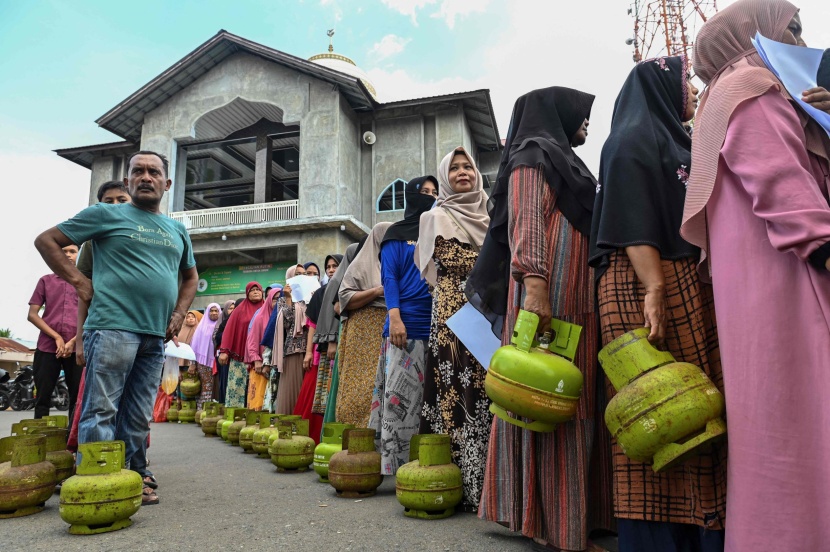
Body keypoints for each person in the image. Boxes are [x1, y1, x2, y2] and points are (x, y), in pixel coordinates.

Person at [680, 2, 830, 550]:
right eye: (791, 29)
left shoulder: (725, 96)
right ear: (753, 34)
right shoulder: (751, 84)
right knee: (805, 418)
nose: (801, 40)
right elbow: (781, 185)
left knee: (774, 423)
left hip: (755, 292)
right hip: (791, 279)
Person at [589, 55, 727, 551]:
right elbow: (631, 221)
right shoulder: (629, 142)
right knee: (658, 407)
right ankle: (657, 539)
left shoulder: (673, 137)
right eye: (683, 82)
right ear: (659, 87)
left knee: (696, 407)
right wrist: (655, 289)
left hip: (674, 279)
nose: (690, 90)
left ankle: (703, 527)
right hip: (642, 283)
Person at [472, 87, 610, 551]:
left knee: (568, 400)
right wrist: (535, 289)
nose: (586, 124)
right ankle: (561, 529)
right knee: (551, 402)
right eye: (581, 116)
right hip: (550, 299)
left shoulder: (564, 159)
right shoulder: (533, 155)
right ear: (558, 112)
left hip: (574, 299)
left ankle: (566, 517)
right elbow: (527, 223)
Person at [34, 150, 198, 508]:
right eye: (137, 171)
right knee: (101, 409)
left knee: (138, 413)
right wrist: (79, 281)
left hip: (155, 335)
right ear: (127, 181)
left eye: (153, 172)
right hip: (111, 328)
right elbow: (46, 241)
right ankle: (96, 481)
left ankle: (129, 477)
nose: (145, 177)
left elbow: (190, 278)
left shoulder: (177, 229)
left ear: (166, 184)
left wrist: (178, 313)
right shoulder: (105, 214)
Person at [416, 147, 491, 512]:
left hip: (489, 311)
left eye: (469, 167)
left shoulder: (489, 211)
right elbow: (452, 258)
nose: (464, 173)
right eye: (456, 168)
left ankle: (493, 484)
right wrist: (497, 261)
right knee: (459, 389)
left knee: (489, 387)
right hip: (455, 314)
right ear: (446, 176)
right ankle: (462, 483)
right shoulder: (437, 215)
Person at [369, 176, 437, 474]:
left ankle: (431, 461)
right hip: (405, 323)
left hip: (437, 322)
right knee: (402, 400)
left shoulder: (439, 229)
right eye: (424, 192)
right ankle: (398, 467)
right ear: (411, 196)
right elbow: (390, 279)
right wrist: (394, 316)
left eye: (435, 193)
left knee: (429, 399)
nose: (431, 197)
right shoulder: (395, 234)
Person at [68, 180, 132, 452]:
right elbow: (86, 292)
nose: (115, 205)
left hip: (143, 333)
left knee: (134, 406)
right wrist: (81, 339)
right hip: (105, 330)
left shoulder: (148, 237)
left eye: (122, 200)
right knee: (100, 405)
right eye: (109, 201)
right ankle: (95, 464)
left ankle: (131, 460)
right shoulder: (94, 242)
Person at [336, 223, 391, 427]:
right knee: (359, 382)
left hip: (388, 326)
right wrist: (377, 291)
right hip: (363, 328)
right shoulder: (361, 264)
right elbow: (345, 297)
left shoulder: (397, 259)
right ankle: (355, 429)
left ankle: (380, 431)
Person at [27, 244, 82, 421]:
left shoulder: (86, 283)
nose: (67, 255)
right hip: (47, 347)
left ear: (80, 255)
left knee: (76, 398)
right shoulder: (46, 281)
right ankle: (39, 440)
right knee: (42, 397)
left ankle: (72, 442)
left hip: (76, 349)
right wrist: (57, 336)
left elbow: (92, 316)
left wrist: (73, 341)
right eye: (63, 251)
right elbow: (32, 315)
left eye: (72, 251)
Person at [296, 255, 342, 443]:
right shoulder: (321, 293)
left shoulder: (349, 286)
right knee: (325, 396)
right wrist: (308, 352)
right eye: (328, 267)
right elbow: (312, 324)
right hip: (326, 350)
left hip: (345, 347)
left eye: (335, 266)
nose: (331, 270)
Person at [319, 246, 359, 423]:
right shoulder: (337, 282)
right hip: (339, 333)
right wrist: (332, 340)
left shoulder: (356, 275)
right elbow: (332, 312)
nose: (331, 269)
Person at [218, 282, 264, 407]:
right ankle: (234, 416)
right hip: (240, 356)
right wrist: (224, 351)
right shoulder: (239, 310)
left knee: (257, 389)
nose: (255, 292)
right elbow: (229, 330)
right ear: (247, 293)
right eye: (252, 290)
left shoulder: (266, 308)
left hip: (260, 357)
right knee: (237, 388)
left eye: (258, 290)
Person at [272, 265, 307, 414]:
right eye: (297, 274)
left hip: (312, 349)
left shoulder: (310, 297)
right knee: (292, 390)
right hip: (293, 350)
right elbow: (287, 323)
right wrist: (288, 298)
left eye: (304, 274)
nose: (301, 277)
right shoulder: (283, 300)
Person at [245, 287, 280, 411]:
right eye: (275, 299)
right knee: (258, 399)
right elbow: (252, 341)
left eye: (280, 299)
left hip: (276, 365)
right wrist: (256, 360)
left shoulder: (282, 316)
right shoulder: (260, 317)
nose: (278, 302)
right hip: (260, 365)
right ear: (269, 300)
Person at [189, 303, 222, 409]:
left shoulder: (221, 326)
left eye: (216, 311)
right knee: (205, 385)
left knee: (217, 386)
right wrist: (192, 363)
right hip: (202, 362)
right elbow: (194, 346)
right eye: (211, 311)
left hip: (218, 361)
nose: (214, 313)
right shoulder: (201, 328)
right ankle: (202, 411)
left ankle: (214, 411)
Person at [212, 299, 239, 403]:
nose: (232, 311)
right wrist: (228, 334)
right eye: (230, 308)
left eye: (234, 308)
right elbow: (216, 338)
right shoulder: (223, 322)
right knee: (223, 380)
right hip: (222, 355)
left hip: (235, 355)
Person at [175, 310, 202, 401]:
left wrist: (192, 363)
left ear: (196, 318)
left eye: (192, 317)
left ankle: (190, 409)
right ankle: (181, 407)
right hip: (180, 363)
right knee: (181, 385)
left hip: (193, 364)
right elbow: (176, 348)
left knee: (191, 387)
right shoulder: (181, 330)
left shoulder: (199, 330)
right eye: (188, 317)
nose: (190, 319)